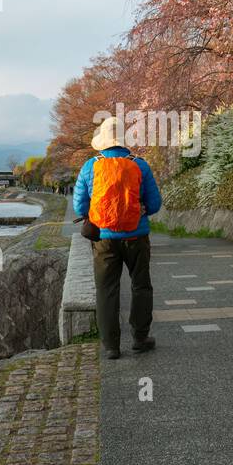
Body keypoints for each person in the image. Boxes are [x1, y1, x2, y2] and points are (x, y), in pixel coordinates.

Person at [73, 116, 162, 360]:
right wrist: (140, 207)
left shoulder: (90, 166)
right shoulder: (140, 165)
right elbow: (155, 204)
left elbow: (79, 206)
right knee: (141, 285)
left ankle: (111, 345)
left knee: (106, 289)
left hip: (103, 237)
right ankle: (140, 338)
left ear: (103, 141)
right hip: (136, 236)